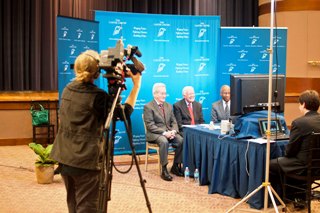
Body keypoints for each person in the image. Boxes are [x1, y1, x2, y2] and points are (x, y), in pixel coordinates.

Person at [50, 50, 142, 212]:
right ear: (97, 72)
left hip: (64, 158)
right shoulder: (97, 96)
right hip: (86, 162)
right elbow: (124, 114)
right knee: (88, 208)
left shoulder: (67, 89)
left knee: (74, 205)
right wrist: (136, 85)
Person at [269, 90, 320, 203]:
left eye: (299, 104)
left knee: (270, 165)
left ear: (304, 105)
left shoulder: (299, 123)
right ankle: (299, 196)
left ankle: (282, 199)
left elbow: (290, 152)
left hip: (303, 167)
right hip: (318, 167)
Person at [143, 83, 184, 181]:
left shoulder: (169, 106)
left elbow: (174, 121)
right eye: (162, 94)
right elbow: (150, 126)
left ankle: (175, 166)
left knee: (181, 140)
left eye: (165, 93)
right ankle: (164, 169)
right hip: (155, 134)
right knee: (164, 141)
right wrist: (164, 133)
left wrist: (173, 131)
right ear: (155, 94)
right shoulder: (148, 107)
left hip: (169, 132)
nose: (164, 96)